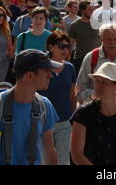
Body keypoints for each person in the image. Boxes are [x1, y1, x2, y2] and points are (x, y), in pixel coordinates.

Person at [0, 49, 61, 165]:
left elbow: (49, 149)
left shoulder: (44, 106)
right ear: (29, 75)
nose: (50, 75)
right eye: (46, 71)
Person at [38, 32, 77, 165]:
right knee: (44, 161)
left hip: (64, 121)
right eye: (61, 46)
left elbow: (72, 95)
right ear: (51, 47)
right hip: (43, 122)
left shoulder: (70, 68)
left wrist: (73, 117)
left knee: (64, 161)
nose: (65, 50)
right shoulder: (40, 67)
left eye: (67, 47)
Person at [68, 0, 100, 75]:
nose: (92, 12)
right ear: (82, 10)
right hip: (80, 59)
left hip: (97, 59)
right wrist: (68, 61)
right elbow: (70, 45)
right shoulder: (74, 25)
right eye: (89, 10)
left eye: (93, 10)